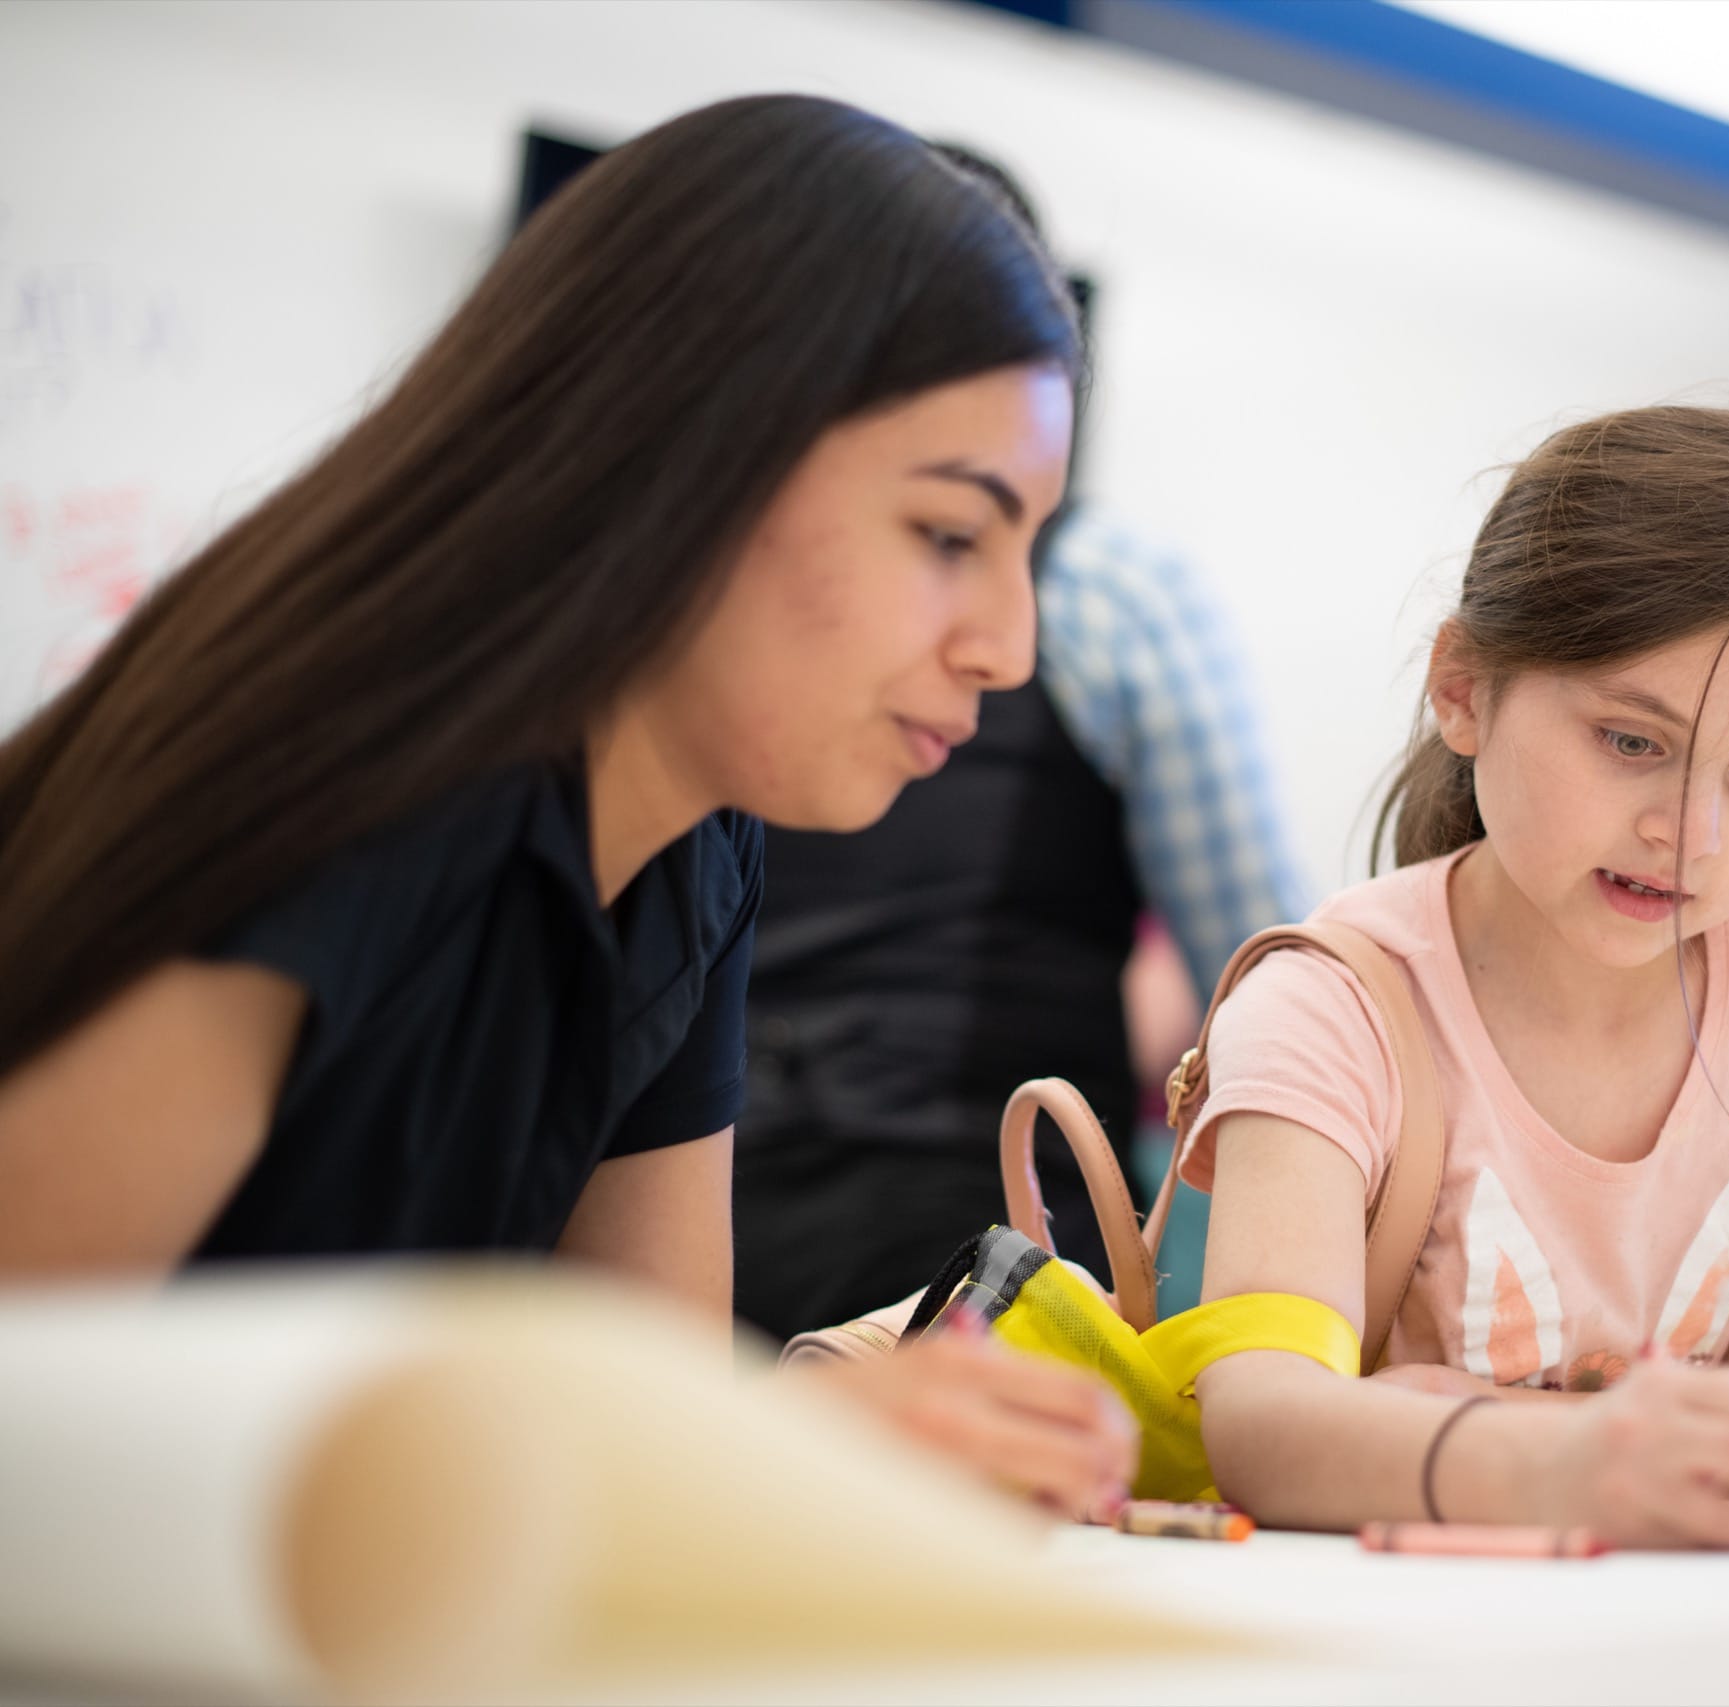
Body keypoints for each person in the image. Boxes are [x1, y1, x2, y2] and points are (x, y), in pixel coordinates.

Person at [0, 95, 1130, 1518]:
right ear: (693, 449)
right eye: (951, 535)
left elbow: (637, 1395)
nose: (1010, 645)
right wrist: (768, 1441)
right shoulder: (361, 759)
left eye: (1029, 548)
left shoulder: (696, 845)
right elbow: (29, 1401)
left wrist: (791, 1442)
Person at [1177, 406, 1729, 1549]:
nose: (1690, 832)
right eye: (1632, 741)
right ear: (1463, 689)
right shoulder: (1329, 1004)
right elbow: (1257, 1423)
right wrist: (1563, 1460)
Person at [735, 150, 1306, 1340]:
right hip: (971, 1256)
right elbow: (1264, 994)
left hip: (860, 1250)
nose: (999, 646)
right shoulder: (1123, 592)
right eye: (944, 534)